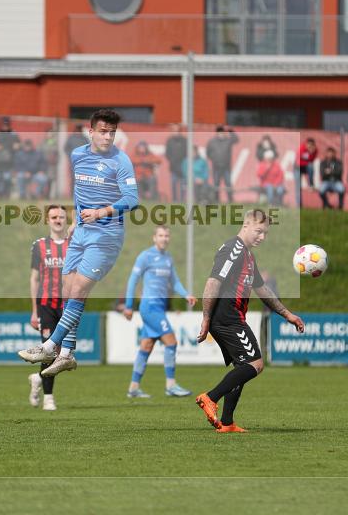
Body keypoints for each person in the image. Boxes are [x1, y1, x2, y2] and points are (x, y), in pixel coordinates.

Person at [18, 109, 138, 376]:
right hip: (82, 232)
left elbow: (132, 199)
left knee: (80, 287)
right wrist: (76, 219)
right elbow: (80, 190)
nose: (108, 137)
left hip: (107, 235)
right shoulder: (77, 155)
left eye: (112, 132)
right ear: (91, 131)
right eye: (103, 131)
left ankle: (51, 346)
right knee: (69, 289)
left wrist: (100, 212)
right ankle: (67, 353)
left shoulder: (122, 161)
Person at [195, 210, 305, 432]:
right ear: (245, 226)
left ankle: (227, 423)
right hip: (227, 317)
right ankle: (210, 397)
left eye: (265, 233)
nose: (262, 237)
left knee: (242, 366)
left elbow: (262, 290)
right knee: (254, 364)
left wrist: (287, 314)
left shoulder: (248, 256)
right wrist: (206, 318)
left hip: (231, 317)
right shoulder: (232, 250)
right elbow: (212, 282)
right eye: (259, 231)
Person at [123, 225, 197, 399]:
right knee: (171, 342)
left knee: (146, 346)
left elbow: (175, 281)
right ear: (154, 238)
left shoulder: (168, 258)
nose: (164, 238)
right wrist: (128, 305)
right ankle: (171, 385)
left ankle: (133, 388)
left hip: (159, 307)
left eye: (167, 235)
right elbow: (132, 281)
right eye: (161, 235)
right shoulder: (145, 256)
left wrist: (186, 295)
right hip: (150, 307)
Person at [28, 205, 70, 411]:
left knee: (64, 355)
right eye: (54, 217)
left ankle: (37, 378)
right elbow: (34, 278)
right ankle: (49, 398)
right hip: (46, 304)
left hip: (68, 305)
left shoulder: (74, 245)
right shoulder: (39, 245)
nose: (58, 220)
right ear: (47, 220)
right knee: (49, 351)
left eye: (61, 216)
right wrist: (34, 310)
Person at [206, 126, 238, 203]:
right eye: (219, 132)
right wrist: (214, 159)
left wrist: (230, 131)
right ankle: (216, 200)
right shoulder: (212, 141)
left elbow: (236, 139)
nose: (221, 134)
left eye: (222, 132)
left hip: (226, 166)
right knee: (216, 183)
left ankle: (230, 200)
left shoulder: (228, 140)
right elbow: (208, 152)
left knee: (228, 183)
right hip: (216, 166)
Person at [0, 117, 20, 198]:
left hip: (9, 161)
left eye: (6, 125)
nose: (5, 127)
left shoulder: (13, 134)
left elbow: (17, 146)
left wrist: (16, 146)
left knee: (7, 178)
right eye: (3, 125)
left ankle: (6, 194)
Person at [64, 124, 89, 193]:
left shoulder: (85, 138)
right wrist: (71, 156)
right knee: (74, 178)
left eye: (80, 130)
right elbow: (66, 148)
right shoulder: (71, 138)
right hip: (74, 161)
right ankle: (73, 193)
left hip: (83, 162)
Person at [165, 124, 187, 202]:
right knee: (173, 183)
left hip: (183, 166)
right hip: (173, 166)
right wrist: (172, 160)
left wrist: (184, 162)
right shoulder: (169, 141)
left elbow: (187, 153)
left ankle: (181, 199)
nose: (175, 132)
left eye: (177, 131)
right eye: (174, 131)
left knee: (182, 184)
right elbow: (167, 153)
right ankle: (174, 200)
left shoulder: (184, 140)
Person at [296, 137, 317, 207]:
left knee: (311, 166)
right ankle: (299, 205)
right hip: (298, 167)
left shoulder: (315, 150)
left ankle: (311, 184)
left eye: (311, 144)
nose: (309, 146)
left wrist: (310, 153)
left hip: (305, 167)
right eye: (308, 144)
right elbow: (300, 157)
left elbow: (311, 160)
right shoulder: (301, 148)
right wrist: (309, 155)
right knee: (298, 186)